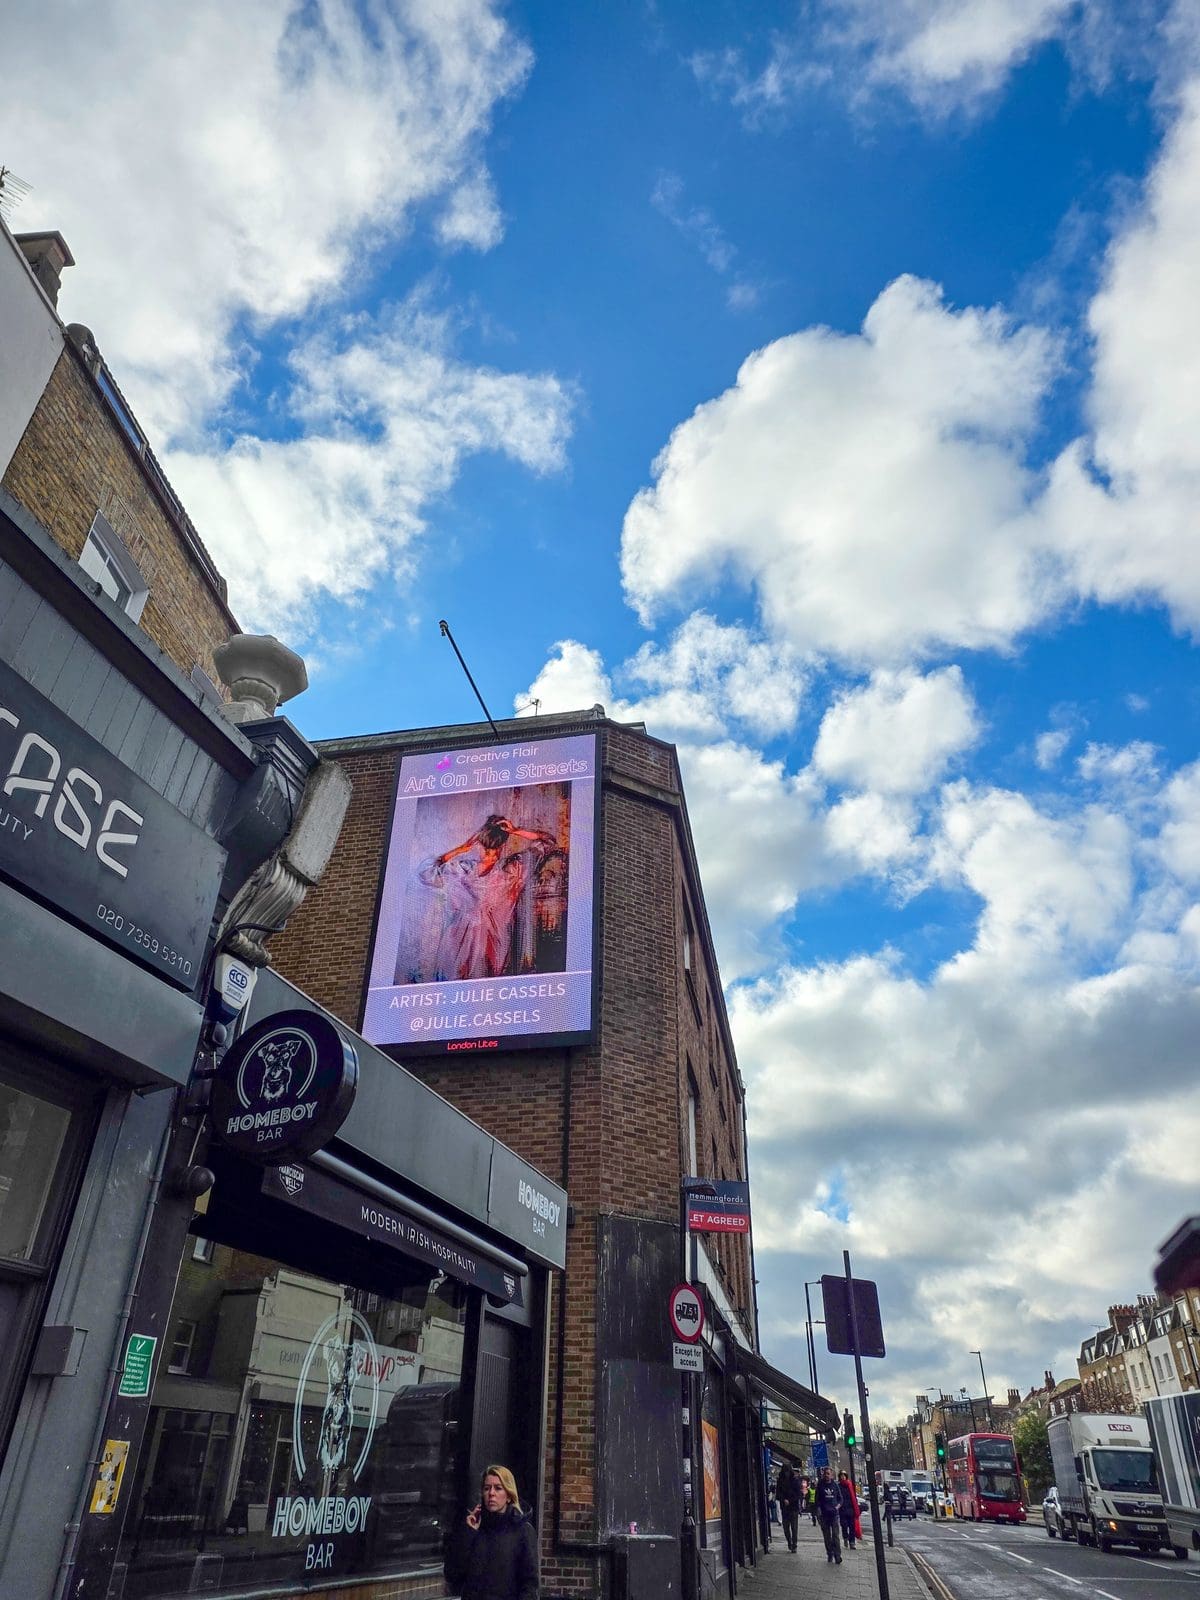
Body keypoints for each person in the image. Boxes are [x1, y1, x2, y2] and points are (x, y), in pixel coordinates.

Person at [413, 815, 562, 982]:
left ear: (479, 842)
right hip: (496, 951)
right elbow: (548, 842)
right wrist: (516, 830)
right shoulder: (514, 870)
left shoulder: (462, 871)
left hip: (455, 949)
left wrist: (461, 848)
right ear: (503, 842)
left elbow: (425, 872)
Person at [444, 1465, 538, 1600]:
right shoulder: (474, 1529)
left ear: (509, 1496)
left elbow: (530, 1583)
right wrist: (469, 1533)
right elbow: (452, 1574)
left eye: (498, 1488)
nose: (491, 1493)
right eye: (487, 1488)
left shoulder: (522, 1531)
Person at [814, 1466, 846, 1564]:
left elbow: (840, 1499)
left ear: (831, 1475)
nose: (826, 1476)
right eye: (825, 1474)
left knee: (835, 1535)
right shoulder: (820, 1485)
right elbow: (817, 1500)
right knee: (827, 1536)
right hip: (824, 1515)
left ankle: (838, 1555)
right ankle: (830, 1553)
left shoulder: (835, 1486)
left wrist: (837, 1506)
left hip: (834, 1514)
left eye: (828, 1474)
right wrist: (818, 1511)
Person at [775, 1463, 801, 1553]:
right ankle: (790, 1542)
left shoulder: (795, 1480)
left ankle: (794, 1544)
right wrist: (783, 1499)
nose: (786, 1474)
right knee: (786, 1527)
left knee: (794, 1527)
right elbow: (778, 1493)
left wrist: (789, 1500)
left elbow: (798, 1494)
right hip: (785, 1507)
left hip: (793, 1507)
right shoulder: (780, 1481)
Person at [838, 1472, 861, 1549]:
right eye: (841, 1476)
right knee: (844, 1525)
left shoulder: (850, 1485)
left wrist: (855, 1507)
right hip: (842, 1509)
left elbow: (854, 1497)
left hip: (851, 1509)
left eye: (844, 1476)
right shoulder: (838, 1487)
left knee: (852, 1527)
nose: (843, 1477)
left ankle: (852, 1542)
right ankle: (845, 1537)